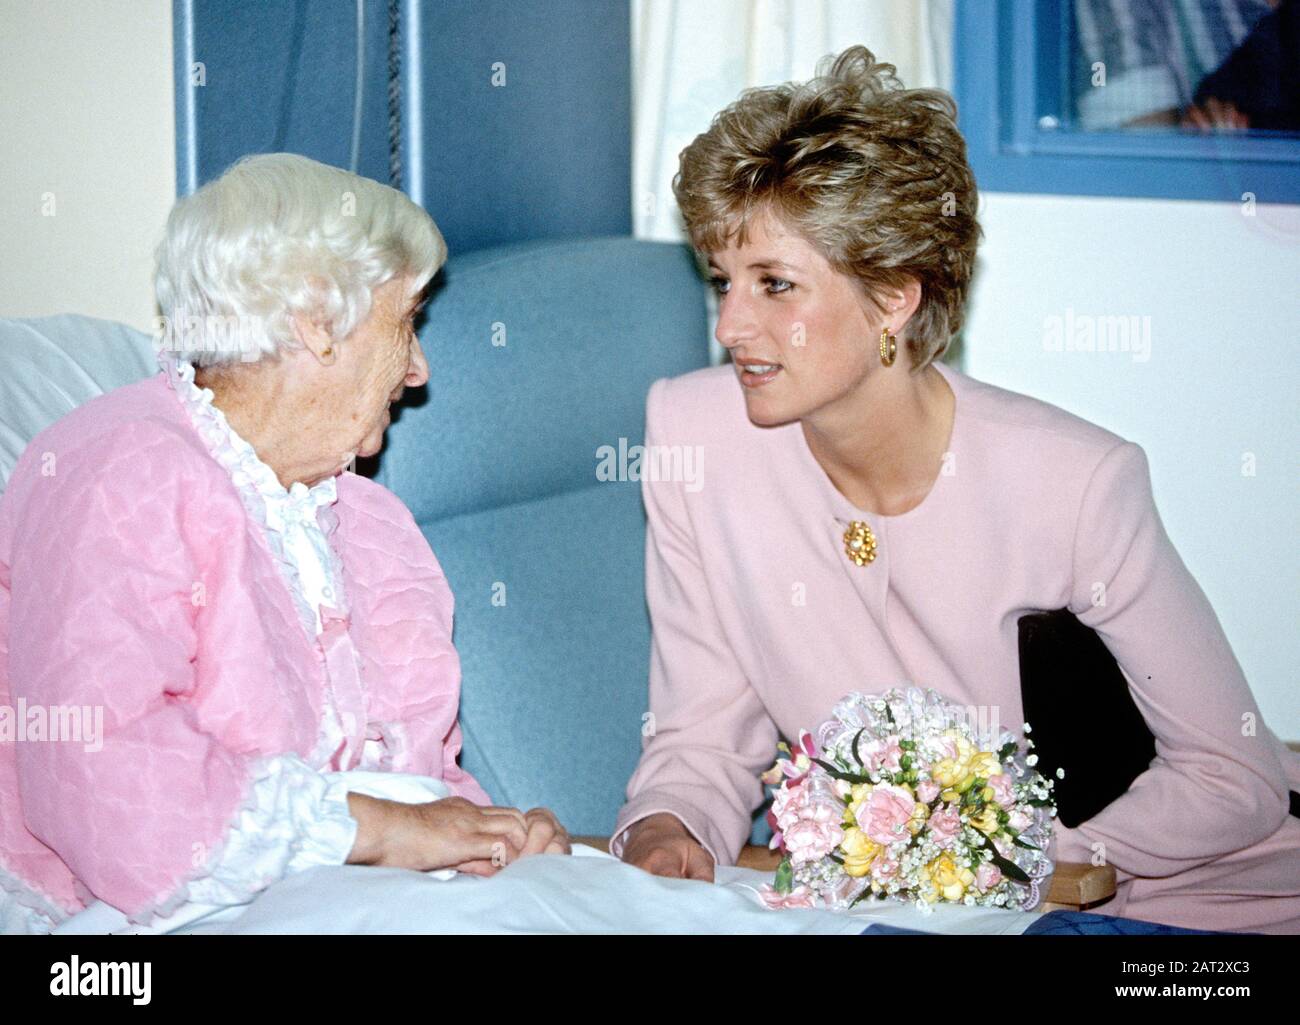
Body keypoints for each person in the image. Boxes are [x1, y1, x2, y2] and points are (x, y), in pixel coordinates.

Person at [610, 46, 1300, 933]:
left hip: (1193, 907)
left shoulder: (1077, 482)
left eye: (775, 284)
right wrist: (668, 827)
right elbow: (700, 734)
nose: (730, 325)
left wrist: (1032, 861)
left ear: (894, 296)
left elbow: (1228, 773)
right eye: (723, 281)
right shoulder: (695, 439)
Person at [0, 153, 569, 935]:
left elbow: (418, 785)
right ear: (313, 320)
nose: (419, 368)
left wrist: (492, 835)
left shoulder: (369, 525)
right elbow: (101, 776)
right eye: (407, 321)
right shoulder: (116, 472)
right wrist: (378, 830)